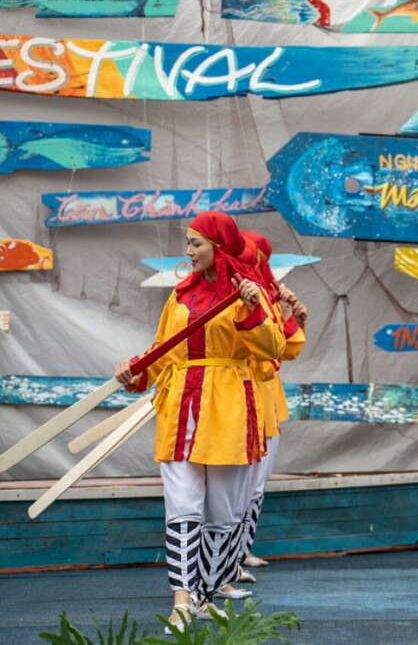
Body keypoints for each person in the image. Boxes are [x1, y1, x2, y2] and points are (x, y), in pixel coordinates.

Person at [115, 211, 285, 631]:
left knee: (224, 514)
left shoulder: (251, 293)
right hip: (179, 409)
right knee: (182, 507)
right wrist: (138, 372)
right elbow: (164, 349)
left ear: (220, 247)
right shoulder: (179, 295)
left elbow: (273, 348)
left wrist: (249, 309)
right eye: (187, 243)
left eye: (196, 244)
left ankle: (206, 594)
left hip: (229, 408)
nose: (188, 252)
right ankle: (183, 600)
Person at [231, 231, 308, 584]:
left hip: (266, 397)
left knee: (255, 487)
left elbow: (282, 350)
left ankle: (238, 553)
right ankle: (223, 564)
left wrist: (293, 318)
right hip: (236, 396)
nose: (259, 266)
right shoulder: (238, 296)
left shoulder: (264, 297)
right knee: (235, 488)